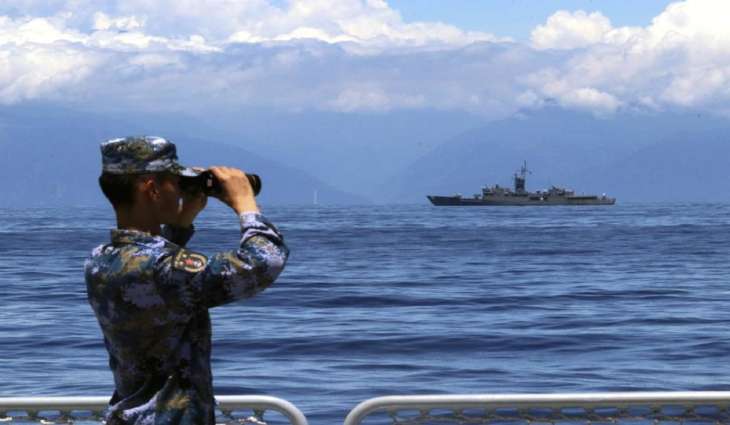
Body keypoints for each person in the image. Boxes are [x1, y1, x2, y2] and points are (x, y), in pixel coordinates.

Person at [85, 136, 289, 425]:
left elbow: (152, 275)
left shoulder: (100, 260)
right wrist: (245, 203)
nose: (179, 191)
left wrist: (181, 222)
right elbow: (263, 262)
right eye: (174, 182)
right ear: (153, 189)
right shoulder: (164, 270)